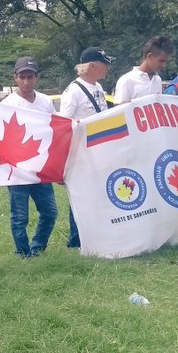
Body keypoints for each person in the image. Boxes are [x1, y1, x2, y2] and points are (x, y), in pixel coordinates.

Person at [1, 57, 58, 257]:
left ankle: (38, 247)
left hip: (41, 165)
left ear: (37, 78)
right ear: (15, 78)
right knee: (20, 215)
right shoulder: (8, 103)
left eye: (30, 77)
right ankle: (22, 252)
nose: (26, 82)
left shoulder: (45, 101)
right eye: (22, 77)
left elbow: (55, 127)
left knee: (50, 212)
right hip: (17, 168)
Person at [58, 46, 113, 248]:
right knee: (81, 194)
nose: (108, 67)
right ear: (92, 66)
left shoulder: (98, 88)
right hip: (81, 152)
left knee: (99, 192)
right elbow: (63, 123)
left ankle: (97, 232)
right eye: (104, 63)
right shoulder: (73, 91)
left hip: (99, 150)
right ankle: (76, 239)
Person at [113, 35, 175, 104]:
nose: (164, 65)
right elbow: (119, 111)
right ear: (149, 56)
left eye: (166, 62)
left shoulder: (157, 80)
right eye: (161, 61)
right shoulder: (127, 80)